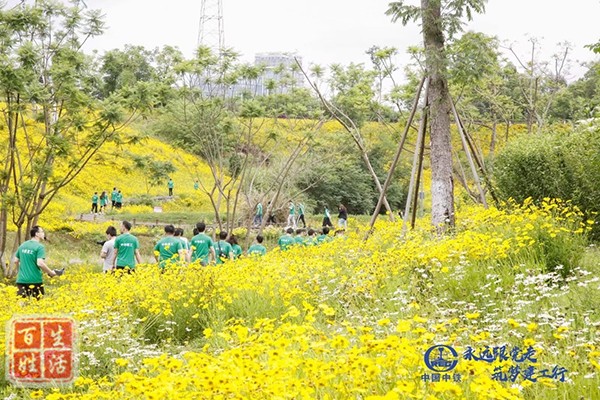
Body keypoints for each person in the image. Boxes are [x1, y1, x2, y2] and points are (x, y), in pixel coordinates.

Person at [14, 226, 60, 298]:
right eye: (42, 232)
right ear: (36, 234)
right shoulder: (39, 247)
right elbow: (40, 263)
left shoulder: (23, 245)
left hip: (21, 280)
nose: (43, 233)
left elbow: (16, 261)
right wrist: (50, 272)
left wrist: (23, 269)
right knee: (38, 304)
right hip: (35, 280)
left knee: (21, 304)